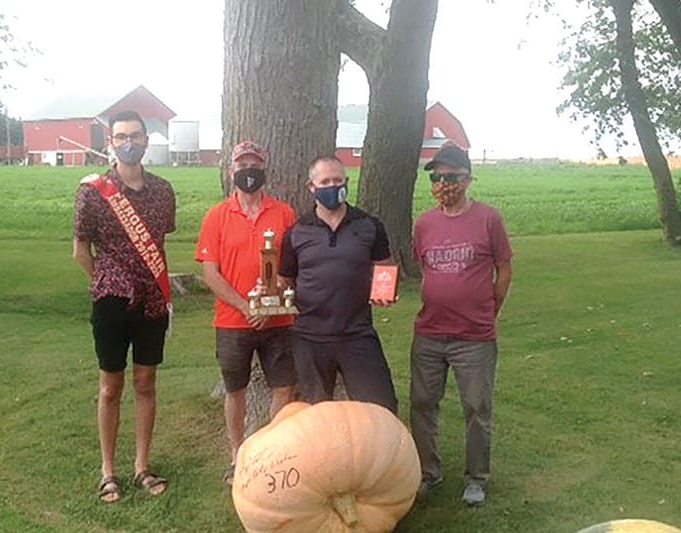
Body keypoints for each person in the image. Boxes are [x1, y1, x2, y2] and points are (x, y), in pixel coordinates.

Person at [73, 110, 175, 503]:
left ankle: (142, 466)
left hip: (152, 301)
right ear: (110, 142)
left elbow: (160, 241)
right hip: (112, 302)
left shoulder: (163, 191)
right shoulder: (93, 191)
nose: (128, 142)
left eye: (135, 135)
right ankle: (108, 471)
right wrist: (105, 280)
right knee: (110, 386)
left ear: (146, 141)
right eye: (121, 136)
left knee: (146, 382)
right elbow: (80, 251)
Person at [410, 143, 512, 507]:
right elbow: (425, 268)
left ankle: (476, 479)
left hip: (474, 337)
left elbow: (504, 267)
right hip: (429, 333)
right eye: (436, 178)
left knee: (476, 407)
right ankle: (427, 472)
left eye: (451, 177)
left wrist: (489, 308)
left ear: (467, 179)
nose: (443, 184)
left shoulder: (488, 219)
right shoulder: (423, 224)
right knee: (422, 404)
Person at [196, 140, 297, 485]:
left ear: (264, 169)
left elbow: (292, 265)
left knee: (284, 388)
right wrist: (246, 306)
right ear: (232, 171)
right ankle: (237, 456)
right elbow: (210, 273)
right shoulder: (217, 216)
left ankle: (271, 452)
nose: (247, 171)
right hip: (232, 321)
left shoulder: (284, 213)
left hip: (279, 320)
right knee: (235, 390)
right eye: (241, 166)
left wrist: (271, 302)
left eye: (254, 165)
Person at [279, 155, 398, 414]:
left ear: (347, 182)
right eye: (325, 181)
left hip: (357, 334)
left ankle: (378, 455)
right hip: (309, 337)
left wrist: (385, 290)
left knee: (381, 409)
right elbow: (284, 279)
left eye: (337, 180)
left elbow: (386, 266)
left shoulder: (369, 226)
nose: (332, 186)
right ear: (311, 187)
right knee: (312, 416)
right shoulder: (296, 232)